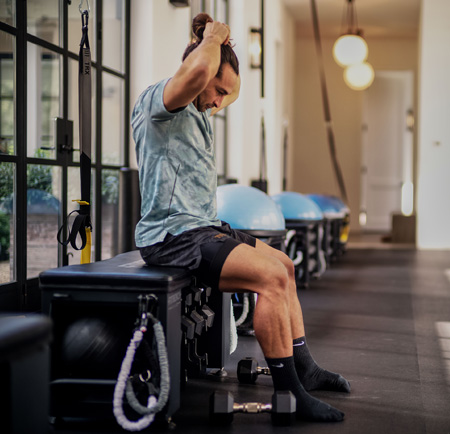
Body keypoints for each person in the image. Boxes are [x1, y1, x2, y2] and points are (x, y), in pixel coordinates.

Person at [132, 13, 350, 422]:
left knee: (283, 266)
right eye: (217, 91)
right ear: (198, 68)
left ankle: (306, 369)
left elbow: (211, 82)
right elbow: (198, 72)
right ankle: (291, 396)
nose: (218, 102)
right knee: (268, 280)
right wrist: (211, 37)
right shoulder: (160, 101)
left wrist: (216, 59)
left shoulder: (196, 111)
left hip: (202, 229)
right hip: (172, 237)